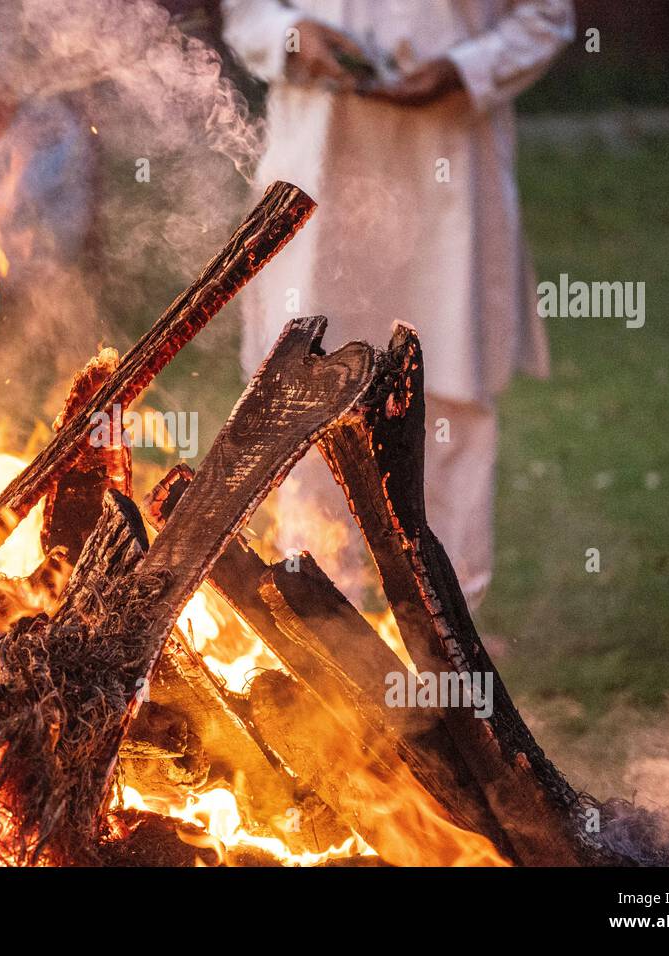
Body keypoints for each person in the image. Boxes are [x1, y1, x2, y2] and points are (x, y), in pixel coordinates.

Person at [222, 0, 574, 610]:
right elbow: (246, 9)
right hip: (320, 163)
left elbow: (546, 15)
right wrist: (290, 34)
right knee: (303, 388)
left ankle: (450, 648)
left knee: (446, 386)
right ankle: (321, 630)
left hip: (449, 164)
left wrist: (463, 69)